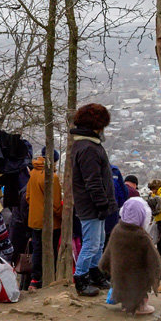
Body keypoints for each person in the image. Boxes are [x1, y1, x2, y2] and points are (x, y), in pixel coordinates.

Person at [70, 103, 117, 296]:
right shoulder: (88, 148)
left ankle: (94, 273)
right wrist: (102, 203)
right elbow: (93, 181)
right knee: (90, 243)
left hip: (92, 204)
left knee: (98, 241)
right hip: (91, 205)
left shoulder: (85, 145)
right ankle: (81, 279)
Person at [99, 197, 161, 315]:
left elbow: (108, 252)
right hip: (137, 274)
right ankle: (141, 307)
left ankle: (125, 305)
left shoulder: (117, 230)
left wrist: (106, 264)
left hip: (120, 272)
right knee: (139, 286)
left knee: (123, 285)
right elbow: (154, 259)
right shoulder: (141, 235)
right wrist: (157, 271)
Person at [26, 149, 62, 290]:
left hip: (34, 220)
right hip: (50, 222)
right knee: (51, 250)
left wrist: (36, 207)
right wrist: (61, 216)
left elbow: (28, 196)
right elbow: (55, 204)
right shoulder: (52, 177)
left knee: (37, 250)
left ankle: (35, 280)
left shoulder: (33, 173)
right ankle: (49, 279)